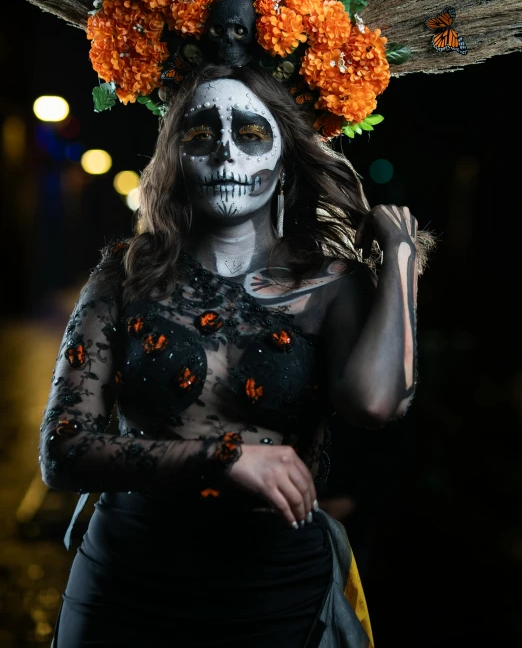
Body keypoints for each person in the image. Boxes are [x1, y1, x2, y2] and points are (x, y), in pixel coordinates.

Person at [39, 63, 426, 647]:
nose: (223, 154)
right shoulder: (123, 273)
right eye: (198, 136)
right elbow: (62, 450)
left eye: (249, 133)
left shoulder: (332, 285)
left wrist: (399, 257)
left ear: (285, 157)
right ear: (174, 158)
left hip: (276, 594)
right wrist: (221, 457)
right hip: (127, 588)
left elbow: (374, 404)